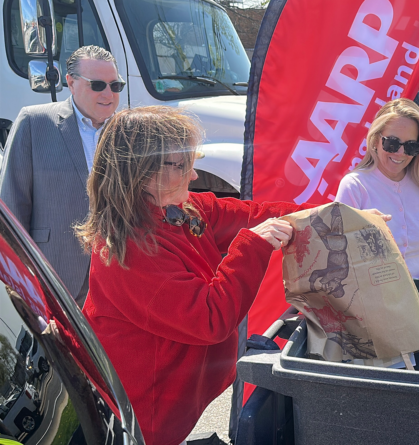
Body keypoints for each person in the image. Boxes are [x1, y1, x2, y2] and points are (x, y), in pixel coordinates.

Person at [76, 106, 307, 445]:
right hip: (140, 422)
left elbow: (251, 215)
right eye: (181, 164)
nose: (194, 174)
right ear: (140, 172)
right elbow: (210, 317)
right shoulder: (128, 251)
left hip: (163, 409)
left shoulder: (177, 209)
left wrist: (325, 215)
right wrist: (252, 245)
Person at [0, 45, 123, 305]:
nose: (108, 94)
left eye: (116, 86)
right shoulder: (34, 122)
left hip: (116, 279)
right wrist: (20, 281)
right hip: (53, 275)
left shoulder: (126, 130)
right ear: (71, 82)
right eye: (98, 85)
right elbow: (11, 208)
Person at [335, 98, 419, 280]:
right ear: (375, 140)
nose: (400, 152)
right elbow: (339, 258)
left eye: (411, 146)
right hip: (370, 301)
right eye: (392, 143)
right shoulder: (354, 187)